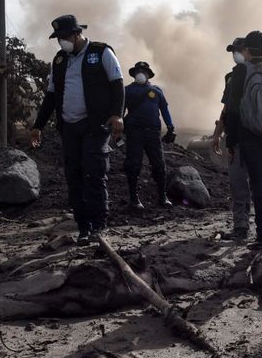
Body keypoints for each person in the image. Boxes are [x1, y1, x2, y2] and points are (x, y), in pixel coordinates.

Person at [31, 14, 124, 244]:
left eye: (64, 36)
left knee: (94, 174)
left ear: (77, 33)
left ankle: (99, 226)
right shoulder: (60, 60)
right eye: (58, 38)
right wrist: (38, 126)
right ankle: (83, 227)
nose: (61, 41)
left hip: (95, 125)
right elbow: (51, 95)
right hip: (69, 127)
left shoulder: (101, 52)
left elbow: (117, 84)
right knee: (74, 177)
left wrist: (117, 115)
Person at [212, 37, 262, 240]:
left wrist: (226, 139)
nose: (236, 54)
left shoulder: (239, 74)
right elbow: (226, 109)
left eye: (238, 50)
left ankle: (261, 231)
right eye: (233, 51)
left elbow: (231, 110)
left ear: (246, 50)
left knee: (253, 184)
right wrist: (217, 134)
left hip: (244, 138)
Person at [123, 61, 175, 210]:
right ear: (134, 74)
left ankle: (163, 196)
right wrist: (118, 128)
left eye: (144, 71)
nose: (141, 73)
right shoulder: (127, 90)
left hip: (153, 133)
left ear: (148, 74)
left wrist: (171, 127)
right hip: (134, 133)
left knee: (159, 165)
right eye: (138, 70)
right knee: (133, 165)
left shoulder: (157, 91)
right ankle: (134, 199)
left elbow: (164, 110)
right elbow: (120, 110)